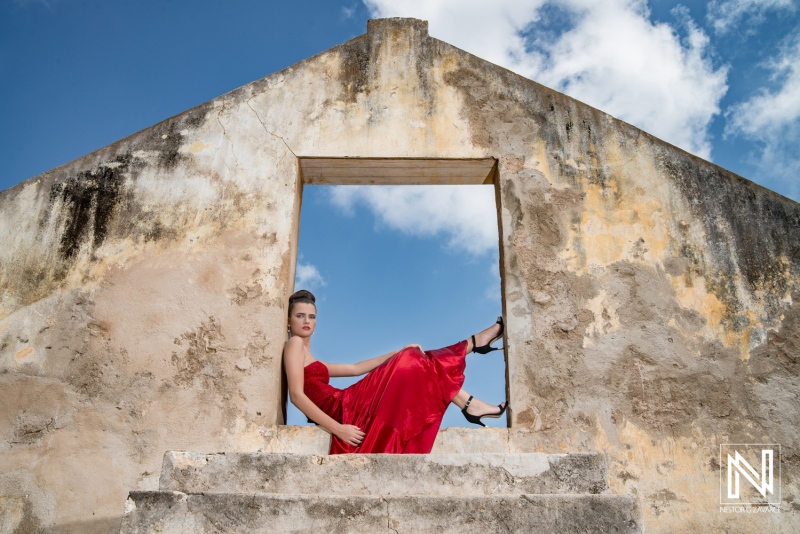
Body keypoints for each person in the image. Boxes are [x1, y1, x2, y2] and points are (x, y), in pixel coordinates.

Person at [283, 289, 508, 454]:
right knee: (413, 361)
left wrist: (396, 352)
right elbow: (296, 396)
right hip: (344, 408)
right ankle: (473, 351)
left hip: (348, 403)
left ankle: (469, 396)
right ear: (288, 321)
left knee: (415, 362)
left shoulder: (309, 356)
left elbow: (355, 369)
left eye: (311, 316)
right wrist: (338, 429)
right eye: (300, 316)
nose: (306, 321)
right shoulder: (294, 345)